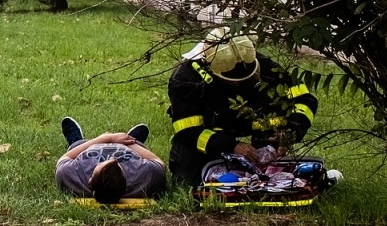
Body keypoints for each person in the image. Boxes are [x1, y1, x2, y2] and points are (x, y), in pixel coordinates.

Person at [167, 28, 318, 188]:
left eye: (249, 78)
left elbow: (304, 99)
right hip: (213, 130)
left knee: (270, 178)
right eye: (234, 82)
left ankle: (265, 161)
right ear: (212, 69)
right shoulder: (186, 79)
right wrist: (230, 146)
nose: (242, 85)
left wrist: (290, 133)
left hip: (257, 124)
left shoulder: (258, 63)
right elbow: (187, 131)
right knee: (187, 183)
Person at [55, 117, 167, 203]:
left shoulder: (72, 176)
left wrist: (104, 139)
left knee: (76, 144)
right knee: (138, 142)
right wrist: (128, 143)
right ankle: (131, 137)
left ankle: (75, 137)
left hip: (88, 146)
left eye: (100, 165)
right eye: (118, 165)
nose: (112, 157)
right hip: (128, 146)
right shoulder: (145, 177)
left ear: (90, 181)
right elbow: (157, 161)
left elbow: (66, 157)